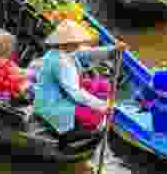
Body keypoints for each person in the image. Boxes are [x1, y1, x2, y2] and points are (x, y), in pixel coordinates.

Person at [34, 19, 127, 147]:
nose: (79, 44)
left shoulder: (65, 51)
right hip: (52, 104)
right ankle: (67, 133)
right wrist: (103, 107)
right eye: (76, 42)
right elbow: (75, 93)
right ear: (65, 43)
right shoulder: (61, 62)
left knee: (99, 88)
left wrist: (113, 50)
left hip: (58, 96)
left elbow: (86, 53)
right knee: (93, 115)